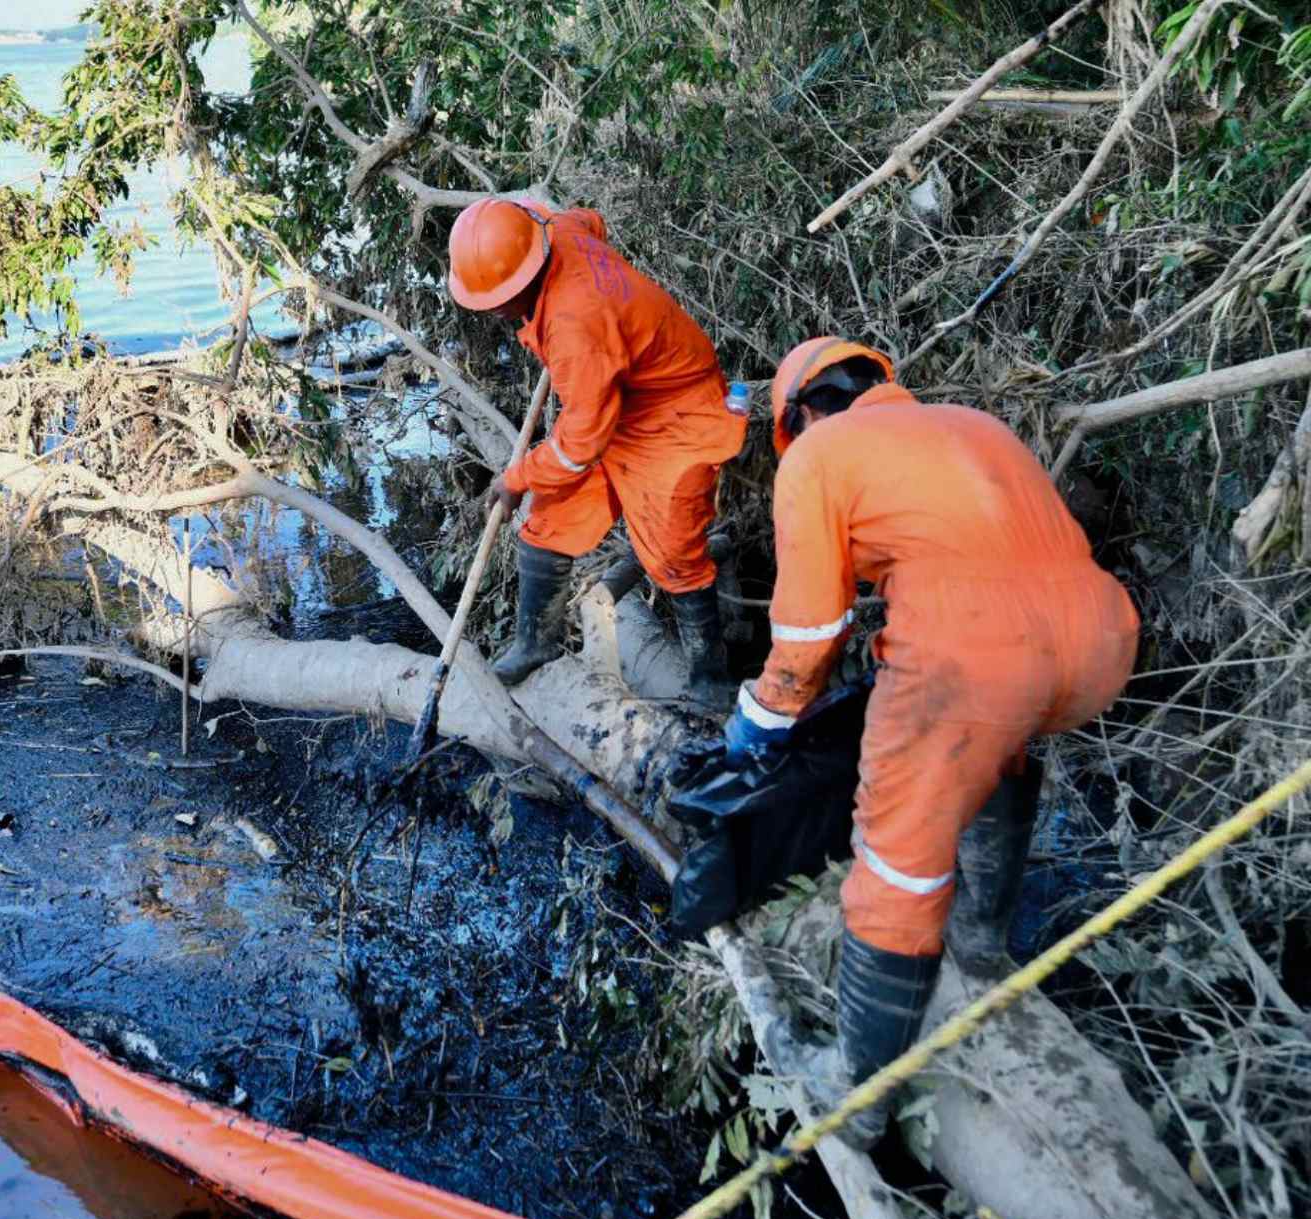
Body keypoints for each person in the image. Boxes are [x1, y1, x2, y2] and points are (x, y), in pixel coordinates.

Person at [725, 337, 1139, 1148]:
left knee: (895, 866)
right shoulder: (974, 424)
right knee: (1000, 754)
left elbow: (810, 633)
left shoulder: (816, 458)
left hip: (972, 657)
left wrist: (761, 720)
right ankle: (982, 947)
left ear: (802, 414)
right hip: (1101, 639)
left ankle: (860, 1097)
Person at [446, 196, 743, 704]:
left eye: (494, 302)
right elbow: (592, 221)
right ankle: (535, 646)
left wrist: (515, 478)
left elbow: (580, 445)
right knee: (549, 524)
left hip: (675, 415)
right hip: (615, 398)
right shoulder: (551, 226)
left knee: (675, 555)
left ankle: (711, 683)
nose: (493, 312)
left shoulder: (576, 328)